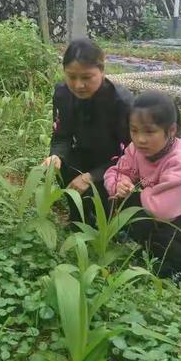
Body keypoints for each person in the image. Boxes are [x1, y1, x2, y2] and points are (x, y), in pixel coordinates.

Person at [104, 91, 181, 283]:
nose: (140, 139)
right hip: (170, 211)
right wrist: (119, 184)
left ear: (171, 131)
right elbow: (117, 172)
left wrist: (134, 195)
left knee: (144, 218)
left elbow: (163, 211)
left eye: (149, 132)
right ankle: (155, 254)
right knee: (124, 204)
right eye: (134, 130)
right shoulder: (137, 150)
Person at [43, 38, 133, 228]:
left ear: (102, 70)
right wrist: (56, 156)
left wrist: (91, 176)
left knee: (108, 220)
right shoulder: (62, 94)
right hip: (84, 153)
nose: (78, 85)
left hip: (115, 165)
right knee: (61, 165)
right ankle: (78, 219)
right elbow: (61, 135)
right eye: (71, 77)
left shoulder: (121, 102)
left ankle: (113, 219)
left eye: (86, 77)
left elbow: (131, 155)